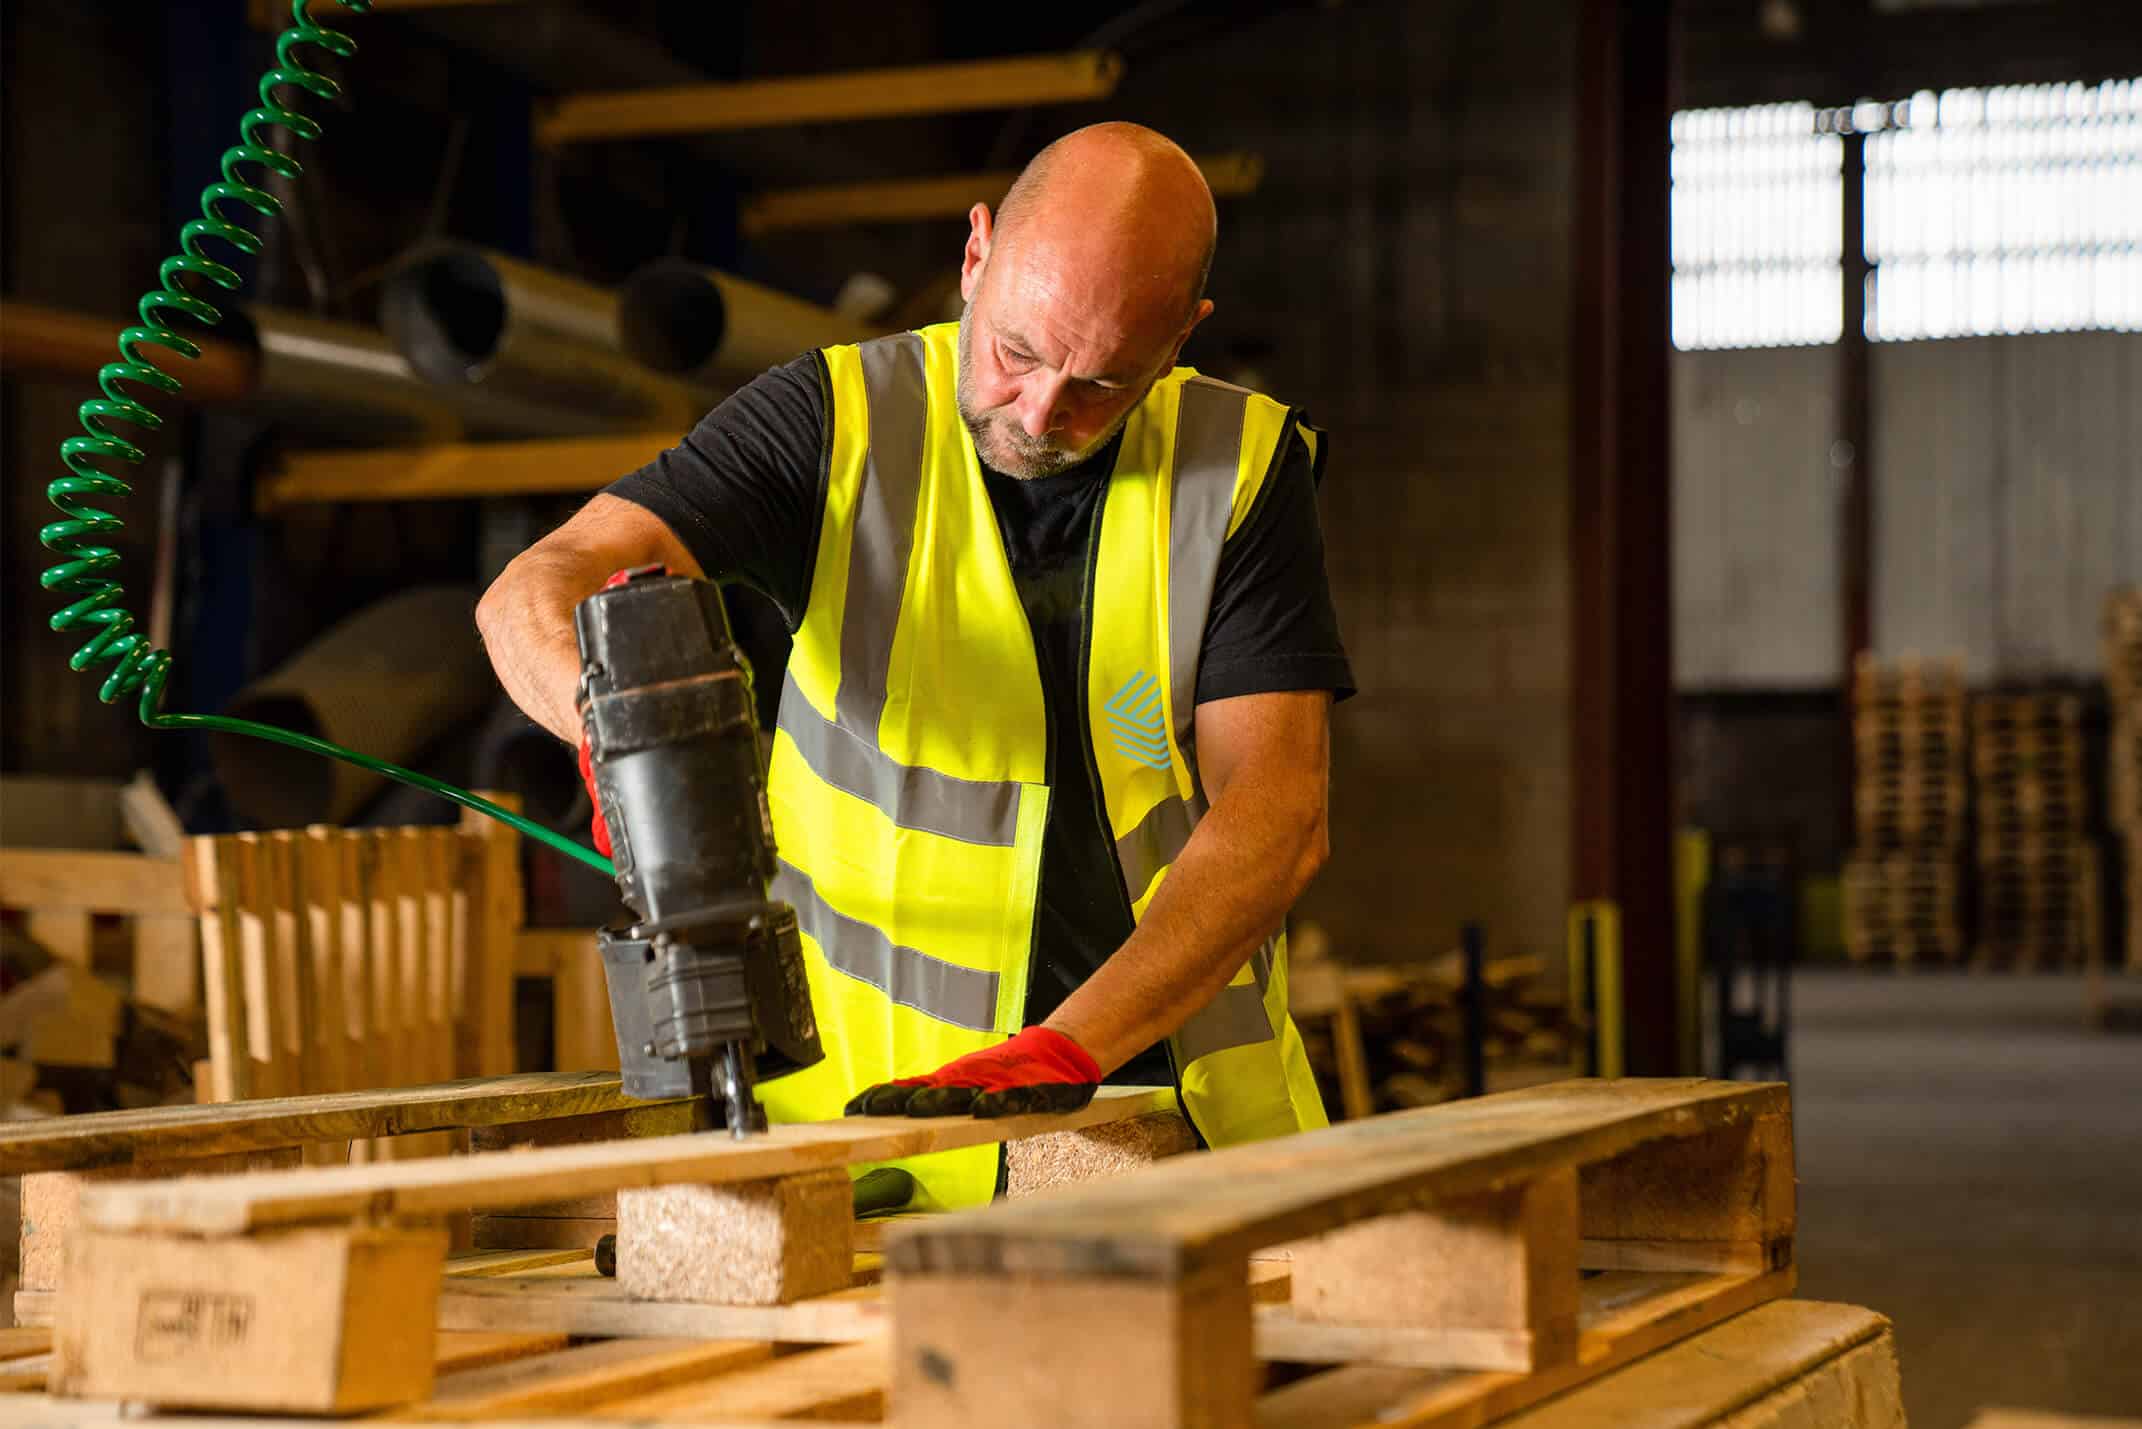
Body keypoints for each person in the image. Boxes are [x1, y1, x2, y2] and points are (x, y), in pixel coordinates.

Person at [477, 121, 1354, 1208]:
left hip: (1184, 1126)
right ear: (975, 255)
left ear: (1184, 334)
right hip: (875, 1146)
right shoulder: (835, 421)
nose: (1041, 413)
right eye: (1017, 353)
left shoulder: (1239, 467)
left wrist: (1069, 1045)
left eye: (1102, 381)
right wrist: (611, 729)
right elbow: (534, 588)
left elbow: (1277, 810)